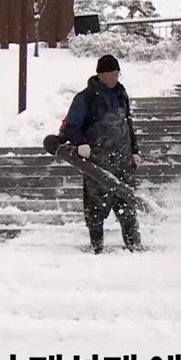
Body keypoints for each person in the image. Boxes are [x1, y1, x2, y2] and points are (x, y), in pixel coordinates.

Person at [60, 54, 144, 254]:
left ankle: (134, 247)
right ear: (101, 74)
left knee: (128, 208)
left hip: (123, 163)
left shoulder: (122, 95)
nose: (116, 77)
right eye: (112, 73)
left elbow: (128, 125)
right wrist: (80, 143)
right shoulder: (86, 98)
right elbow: (72, 126)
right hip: (97, 164)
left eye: (117, 73)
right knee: (96, 210)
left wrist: (134, 151)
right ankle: (97, 249)